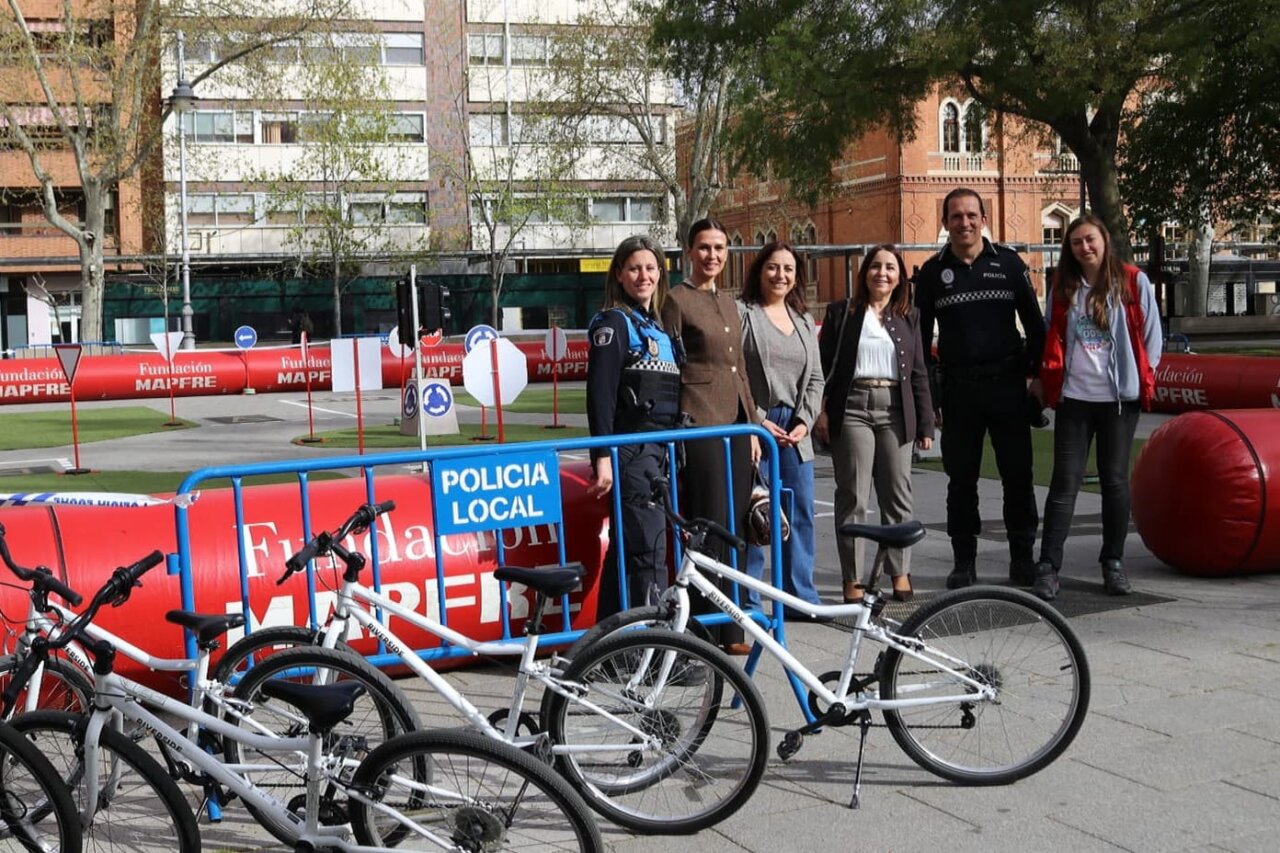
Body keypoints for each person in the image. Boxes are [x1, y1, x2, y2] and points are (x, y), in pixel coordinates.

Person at [915, 187, 1046, 589]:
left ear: (984, 219)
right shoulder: (933, 273)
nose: (965, 223)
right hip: (959, 391)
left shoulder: (1008, 264)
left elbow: (1036, 327)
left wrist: (1037, 379)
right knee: (961, 480)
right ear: (945, 223)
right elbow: (919, 341)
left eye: (972, 215)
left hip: (1007, 387)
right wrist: (930, 399)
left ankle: (1022, 558)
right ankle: (964, 561)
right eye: (956, 216)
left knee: (1018, 477)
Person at [1031, 215, 1163, 601]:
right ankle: (1048, 566)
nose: (1083, 248)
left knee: (1115, 481)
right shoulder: (1064, 285)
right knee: (1064, 483)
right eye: (1075, 243)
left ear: (1104, 241)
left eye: (1089, 240)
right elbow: (1051, 333)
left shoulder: (1134, 281)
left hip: (1119, 401)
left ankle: (1113, 563)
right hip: (1075, 398)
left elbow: (1153, 337)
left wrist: (1142, 378)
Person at [815, 246, 934, 603]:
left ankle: (899, 571)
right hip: (852, 408)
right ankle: (852, 578)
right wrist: (821, 410)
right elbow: (823, 367)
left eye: (890, 268)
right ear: (865, 272)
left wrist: (926, 424)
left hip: (896, 409)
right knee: (853, 493)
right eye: (876, 266)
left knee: (898, 493)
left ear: (899, 277)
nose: (882, 273)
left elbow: (919, 373)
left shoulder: (910, 316)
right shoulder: (842, 312)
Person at [661, 218, 758, 654]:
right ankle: (704, 633)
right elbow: (672, 366)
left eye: (720, 248)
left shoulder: (731, 302)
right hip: (699, 420)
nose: (713, 256)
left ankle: (732, 629)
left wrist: (752, 425)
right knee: (710, 524)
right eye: (704, 247)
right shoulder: (676, 300)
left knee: (733, 524)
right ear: (689, 251)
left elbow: (739, 371)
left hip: (736, 422)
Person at [585, 235, 683, 618]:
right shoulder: (613, 323)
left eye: (650, 267)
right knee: (646, 547)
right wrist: (602, 458)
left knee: (633, 549)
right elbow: (601, 396)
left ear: (660, 272)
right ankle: (648, 648)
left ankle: (614, 642)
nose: (643, 275)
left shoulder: (657, 326)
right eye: (634, 268)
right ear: (620, 275)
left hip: (660, 453)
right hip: (631, 450)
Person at [737, 241, 825, 610]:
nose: (780, 275)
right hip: (759, 425)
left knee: (799, 510)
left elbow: (817, 379)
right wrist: (758, 420)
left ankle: (798, 597)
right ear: (760, 271)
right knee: (756, 513)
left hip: (795, 430)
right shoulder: (743, 314)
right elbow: (735, 374)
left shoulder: (803, 321)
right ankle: (750, 602)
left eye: (788, 269)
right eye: (773, 267)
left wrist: (806, 420)